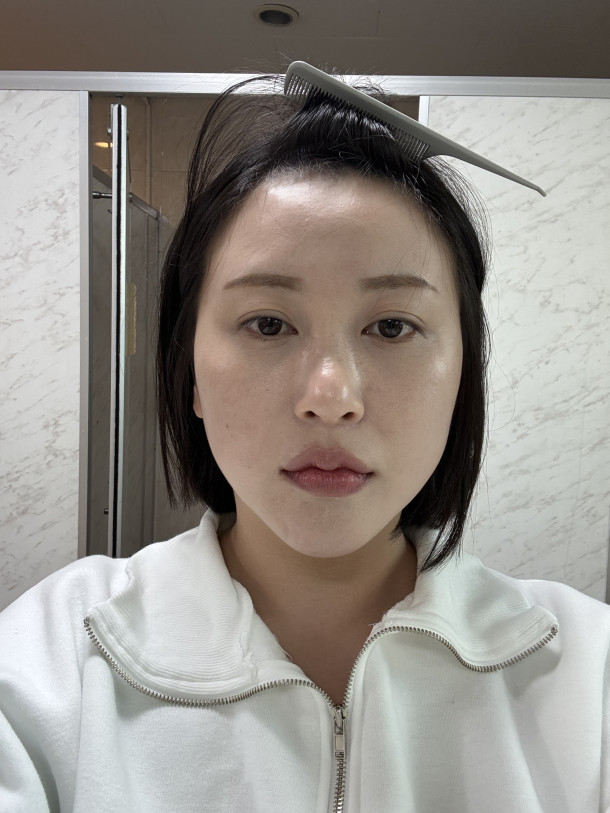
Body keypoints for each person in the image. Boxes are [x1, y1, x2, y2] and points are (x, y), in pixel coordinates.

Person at [0, 70, 608, 813]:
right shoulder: (53, 662)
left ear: (463, 376)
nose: (331, 397)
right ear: (190, 373)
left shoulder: (586, 675)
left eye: (392, 326)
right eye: (268, 324)